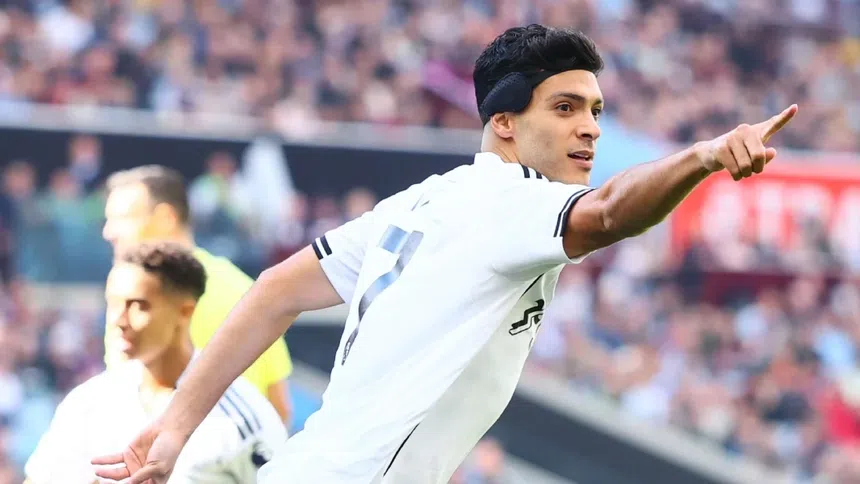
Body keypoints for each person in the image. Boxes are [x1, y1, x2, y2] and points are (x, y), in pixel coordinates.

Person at [94, 24, 798, 484]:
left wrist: (173, 429)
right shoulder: (511, 202)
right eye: (565, 108)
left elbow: (276, 290)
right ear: (504, 123)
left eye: (595, 111)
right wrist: (703, 157)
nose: (589, 128)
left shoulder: (425, 200)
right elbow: (612, 212)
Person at [25, 242, 286, 483]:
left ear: (185, 311)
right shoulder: (87, 403)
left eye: (138, 305)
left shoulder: (242, 417)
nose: (119, 320)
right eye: (112, 304)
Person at [102, 165, 294, 422]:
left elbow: (123, 406)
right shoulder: (245, 287)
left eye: (122, 218)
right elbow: (280, 408)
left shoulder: (133, 294)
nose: (108, 232)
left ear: (166, 217)